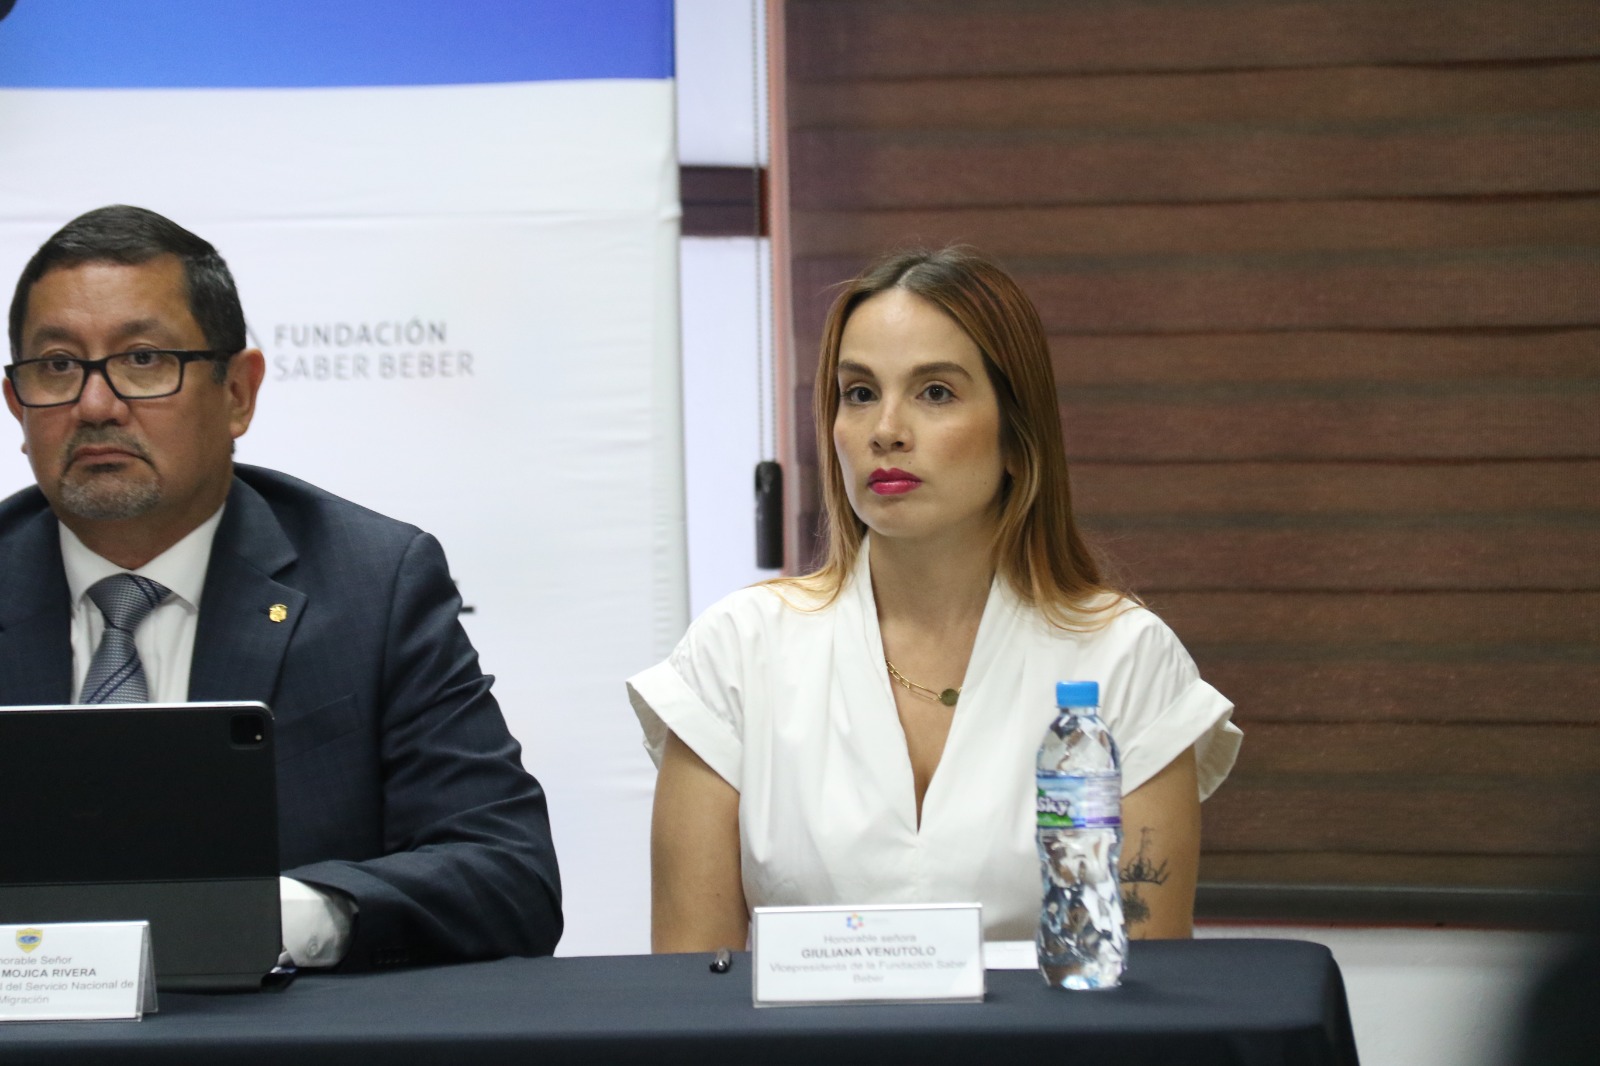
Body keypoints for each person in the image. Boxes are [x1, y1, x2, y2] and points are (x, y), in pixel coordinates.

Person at [630, 247, 1241, 951]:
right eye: (860, 392)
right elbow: (691, 987)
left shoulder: (1127, 660)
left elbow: (1142, 987)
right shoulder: (735, 652)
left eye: (935, 393)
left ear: (1017, 436)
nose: (886, 429)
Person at [0, 205, 562, 970]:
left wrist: (270, 918)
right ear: (17, 405)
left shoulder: (372, 587)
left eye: (143, 360)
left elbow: (510, 877)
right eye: (58, 366)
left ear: (238, 391)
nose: (96, 405)